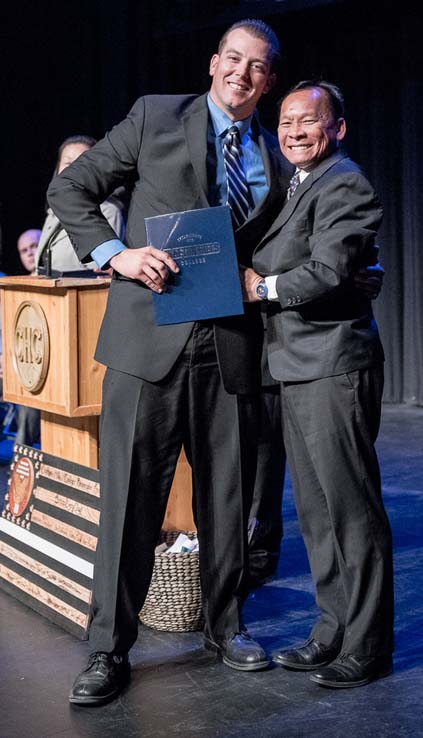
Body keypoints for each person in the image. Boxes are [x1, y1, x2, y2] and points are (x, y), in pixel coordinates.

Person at [48, 19, 292, 706]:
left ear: (267, 81)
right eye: (234, 59)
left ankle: (226, 626)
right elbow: (71, 191)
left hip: (230, 345)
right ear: (214, 63)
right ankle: (107, 650)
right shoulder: (157, 115)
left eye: (258, 67)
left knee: (226, 498)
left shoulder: (272, 158)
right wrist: (114, 255)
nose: (243, 74)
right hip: (148, 341)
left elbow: (274, 247)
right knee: (129, 503)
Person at [242, 81, 394, 689]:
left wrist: (263, 288)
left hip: (333, 366)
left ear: (337, 129)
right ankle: (331, 630)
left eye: (309, 122)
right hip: (294, 367)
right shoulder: (294, 186)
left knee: (351, 512)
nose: (295, 132)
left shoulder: (346, 181)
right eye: (286, 122)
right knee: (316, 512)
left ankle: (369, 644)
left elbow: (328, 268)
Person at [35, 135, 125, 275]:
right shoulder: (52, 214)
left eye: (81, 163)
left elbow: (103, 270)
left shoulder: (108, 211)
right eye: (68, 164)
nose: (73, 171)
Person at [12, 229, 42, 446]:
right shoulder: (16, 288)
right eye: (24, 251)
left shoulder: (62, 278)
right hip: (20, 364)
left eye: (34, 246)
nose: (30, 254)